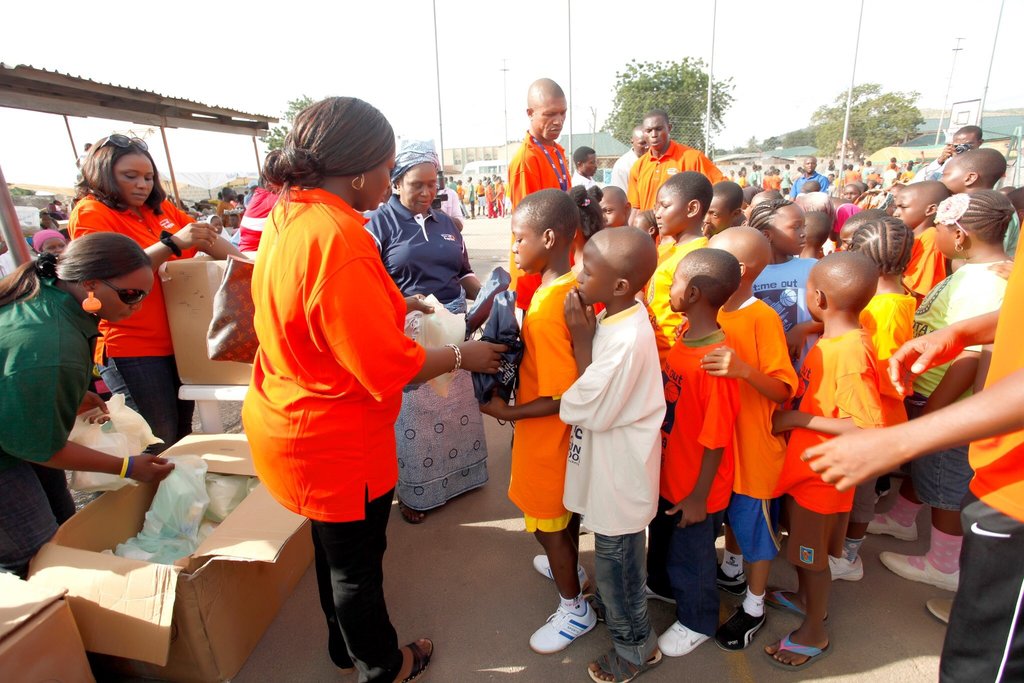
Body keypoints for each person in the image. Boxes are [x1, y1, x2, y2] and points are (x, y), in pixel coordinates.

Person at [241, 96, 504, 682]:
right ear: (359, 170)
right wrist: (463, 354)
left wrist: (393, 300)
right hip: (335, 438)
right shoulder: (340, 237)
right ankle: (383, 664)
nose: (391, 183)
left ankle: (344, 649)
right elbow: (388, 368)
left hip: (291, 416)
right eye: (389, 170)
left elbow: (316, 309)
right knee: (358, 566)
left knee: (331, 550)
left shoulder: (292, 212)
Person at [803, 256, 1024, 682]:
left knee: (981, 668)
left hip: (1016, 502)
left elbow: (861, 422)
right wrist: (961, 332)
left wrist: (899, 440)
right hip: (996, 477)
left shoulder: (849, 350)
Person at [0, 233, 175, 578]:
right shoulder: (52, 344)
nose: (137, 305)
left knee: (64, 527)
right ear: (90, 284)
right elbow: (43, 448)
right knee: (37, 557)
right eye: (130, 295)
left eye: (144, 295)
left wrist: (66, 393)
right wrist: (126, 467)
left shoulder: (49, 292)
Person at [867, 192, 1012, 593]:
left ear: (960, 235)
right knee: (925, 468)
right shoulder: (974, 271)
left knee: (945, 483)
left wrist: (935, 410)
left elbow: (970, 356)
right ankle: (901, 518)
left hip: (947, 402)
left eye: (941, 230)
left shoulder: (983, 284)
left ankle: (943, 564)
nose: (933, 236)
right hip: (930, 394)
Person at [479, 189, 596, 654]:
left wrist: (506, 411)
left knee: (548, 525)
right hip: (559, 438)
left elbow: (561, 395)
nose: (513, 248)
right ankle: (572, 568)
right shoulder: (563, 289)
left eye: (519, 238)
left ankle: (575, 608)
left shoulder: (549, 308)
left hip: (547, 438)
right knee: (560, 517)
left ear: (549, 237)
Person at [69, 134, 240, 449]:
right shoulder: (92, 213)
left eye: (148, 177)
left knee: (181, 434)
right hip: (133, 345)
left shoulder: (158, 208)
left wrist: (252, 269)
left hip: (179, 341)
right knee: (154, 439)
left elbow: (203, 237)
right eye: (130, 177)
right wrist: (172, 243)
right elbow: (111, 275)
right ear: (104, 174)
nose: (141, 185)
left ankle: (175, 496)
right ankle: (142, 496)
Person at [766, 252, 884, 670]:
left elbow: (867, 427)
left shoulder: (848, 355)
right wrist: (810, 325)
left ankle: (814, 629)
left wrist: (795, 417)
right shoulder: (843, 334)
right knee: (802, 551)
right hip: (808, 472)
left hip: (823, 479)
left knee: (811, 559)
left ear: (817, 296)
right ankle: (803, 601)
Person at [560, 227, 664, 682]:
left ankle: (636, 648)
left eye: (587, 271)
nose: (578, 278)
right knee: (613, 559)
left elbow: (586, 406)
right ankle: (618, 612)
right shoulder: (620, 316)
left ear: (620, 286)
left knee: (617, 567)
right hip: (611, 467)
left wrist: (582, 341)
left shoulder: (624, 340)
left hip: (620, 478)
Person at [366, 139, 487, 525]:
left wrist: (488, 294)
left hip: (454, 324)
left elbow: (463, 272)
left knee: (457, 406)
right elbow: (370, 285)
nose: (427, 192)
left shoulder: (448, 224)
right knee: (416, 412)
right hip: (410, 328)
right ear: (397, 182)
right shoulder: (378, 225)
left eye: (433, 184)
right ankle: (420, 491)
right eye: (417, 184)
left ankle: (464, 477)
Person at [703, 228, 798, 652]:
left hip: (754, 447)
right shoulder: (712, 311)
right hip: (720, 443)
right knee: (731, 519)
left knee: (755, 527)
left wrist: (743, 370)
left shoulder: (762, 318)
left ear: (737, 271)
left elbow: (782, 389)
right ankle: (732, 567)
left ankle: (754, 606)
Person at [649, 248, 742, 657]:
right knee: (666, 543)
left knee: (694, 557)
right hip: (673, 475)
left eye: (675, 283)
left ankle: (698, 620)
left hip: (697, 488)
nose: (669, 289)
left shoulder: (715, 362)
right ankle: (665, 589)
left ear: (696, 294)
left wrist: (700, 497)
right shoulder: (686, 338)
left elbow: (717, 437)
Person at [831, 215, 915, 580]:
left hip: (871, 419)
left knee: (860, 494)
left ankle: (848, 556)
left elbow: (886, 374)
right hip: (864, 414)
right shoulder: (892, 299)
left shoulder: (886, 310)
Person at [508, 78, 570, 312]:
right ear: (530, 113)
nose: (559, 121)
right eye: (550, 114)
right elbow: (528, 230)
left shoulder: (556, 151)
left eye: (563, 113)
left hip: (556, 270)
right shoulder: (526, 160)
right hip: (536, 277)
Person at [645, 172, 713, 358]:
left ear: (692, 208)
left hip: (673, 356)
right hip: (653, 353)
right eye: (656, 207)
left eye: (665, 206)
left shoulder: (698, 256)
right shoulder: (665, 249)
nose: (657, 214)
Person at [748, 199, 820, 367]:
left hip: (807, 371)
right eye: (796, 227)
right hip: (765, 372)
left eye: (804, 226)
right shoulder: (750, 273)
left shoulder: (812, 268)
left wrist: (804, 329)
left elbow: (837, 314)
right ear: (767, 235)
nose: (803, 233)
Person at [627, 109, 724, 222]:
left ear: (669, 128)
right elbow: (635, 208)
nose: (654, 135)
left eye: (658, 129)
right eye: (649, 130)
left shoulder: (692, 158)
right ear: (644, 133)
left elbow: (722, 189)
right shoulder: (638, 166)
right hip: (650, 236)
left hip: (682, 237)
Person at [893, 181, 951, 301]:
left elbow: (914, 289)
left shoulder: (930, 237)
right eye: (896, 207)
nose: (896, 213)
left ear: (930, 210)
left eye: (902, 207)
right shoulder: (912, 235)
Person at [912, 125, 983, 183]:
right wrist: (939, 161)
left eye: (967, 145)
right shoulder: (945, 164)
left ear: (980, 142)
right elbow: (918, 183)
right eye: (958, 146)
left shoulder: (985, 163)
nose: (962, 148)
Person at [236, 178, 279, 254]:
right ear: (269, 184)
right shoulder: (274, 200)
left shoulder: (257, 196)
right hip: (254, 258)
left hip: (245, 253)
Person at [610, 127, 648, 192]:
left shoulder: (656, 161)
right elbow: (620, 196)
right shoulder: (622, 166)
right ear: (632, 141)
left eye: (649, 142)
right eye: (642, 143)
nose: (647, 146)